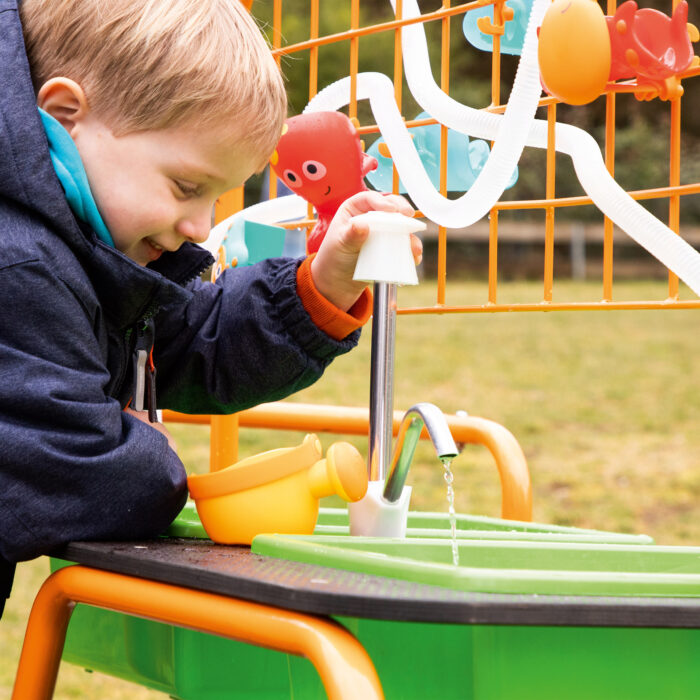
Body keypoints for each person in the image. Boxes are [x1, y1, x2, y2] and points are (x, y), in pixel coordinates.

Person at [0, 0, 420, 618]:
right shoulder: (20, 266)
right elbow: (77, 473)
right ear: (65, 114)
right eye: (186, 187)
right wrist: (144, 454)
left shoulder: (87, 255)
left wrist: (320, 286)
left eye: (217, 197)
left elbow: (187, 337)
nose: (200, 226)